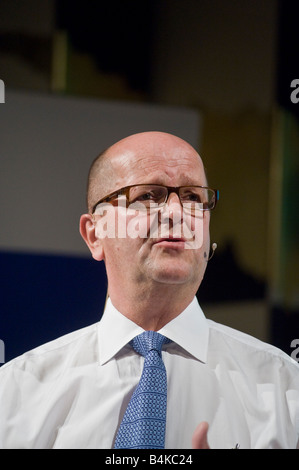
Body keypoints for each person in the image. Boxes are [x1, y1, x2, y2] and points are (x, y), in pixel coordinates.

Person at [0, 131, 298, 449]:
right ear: (95, 234)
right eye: (148, 196)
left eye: (193, 197)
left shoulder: (285, 389)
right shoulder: (16, 393)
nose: (175, 212)